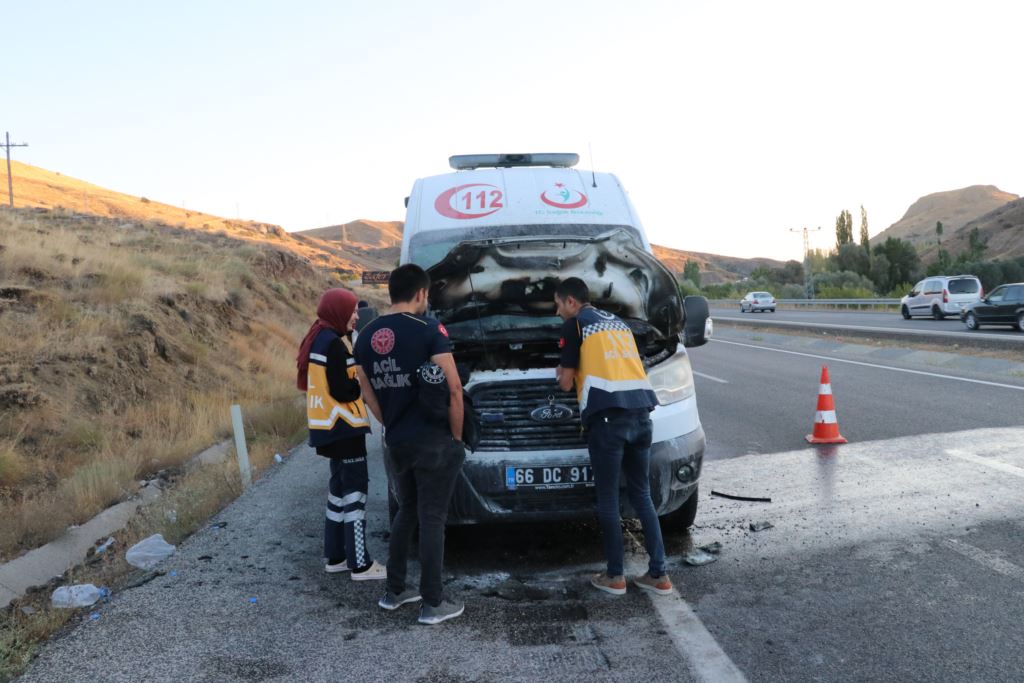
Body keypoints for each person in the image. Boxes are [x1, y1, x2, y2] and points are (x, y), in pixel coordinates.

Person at [354, 264, 467, 625]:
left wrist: (391, 423)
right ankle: (433, 603)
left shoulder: (366, 334)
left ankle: (395, 591)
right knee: (433, 518)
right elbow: (453, 389)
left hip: (398, 440)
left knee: (408, 510)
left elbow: (366, 390)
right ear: (421, 293)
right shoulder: (429, 329)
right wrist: (457, 437)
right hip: (433, 440)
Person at [554, 277, 673, 596]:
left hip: (608, 420)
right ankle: (659, 575)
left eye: (558, 304)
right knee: (642, 495)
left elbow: (565, 383)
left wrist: (560, 369)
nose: (557, 311)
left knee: (607, 499)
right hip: (641, 414)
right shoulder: (618, 323)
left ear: (571, 302)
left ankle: (615, 576)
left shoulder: (575, 325)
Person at [297, 288, 386, 581]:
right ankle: (360, 564)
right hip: (345, 429)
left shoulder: (319, 339)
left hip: (329, 431)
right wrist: (362, 383)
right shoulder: (334, 344)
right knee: (356, 493)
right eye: (353, 311)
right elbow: (343, 390)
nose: (357, 316)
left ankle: (336, 557)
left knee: (338, 493)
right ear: (338, 311)